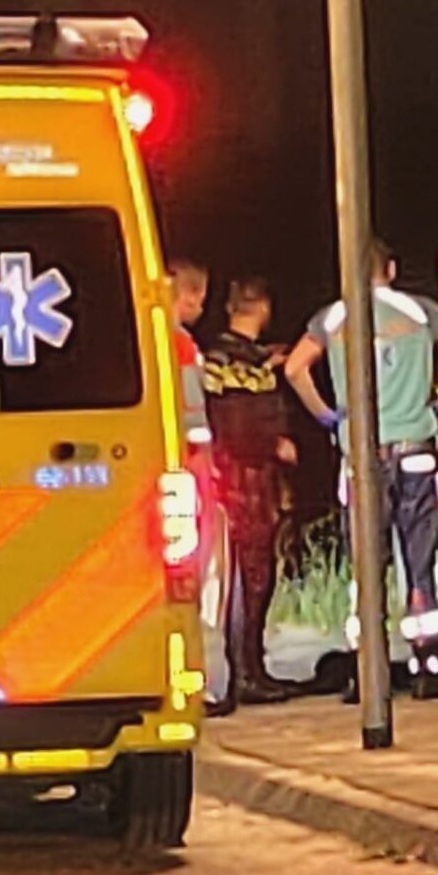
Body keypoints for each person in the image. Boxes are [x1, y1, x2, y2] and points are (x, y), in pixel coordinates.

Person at [285, 240, 438, 700]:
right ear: (390, 269)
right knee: (420, 562)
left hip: (361, 456)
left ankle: (366, 673)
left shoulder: (334, 317)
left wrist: (328, 416)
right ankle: (428, 666)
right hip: (415, 447)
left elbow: (295, 368)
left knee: (367, 564)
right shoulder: (420, 311)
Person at [204, 277, 301, 706]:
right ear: (262, 307)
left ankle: (252, 667)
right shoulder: (227, 362)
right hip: (244, 482)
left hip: (248, 482)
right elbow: (236, 423)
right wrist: (273, 444)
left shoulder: (234, 357)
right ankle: (245, 674)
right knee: (250, 579)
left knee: (256, 577)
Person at [165, 257, 233, 713]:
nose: (201, 308)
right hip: (191, 472)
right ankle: (206, 682)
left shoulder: (145, 339)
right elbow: (194, 416)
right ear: (186, 295)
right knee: (203, 575)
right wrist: (208, 464)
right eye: (199, 298)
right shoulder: (182, 345)